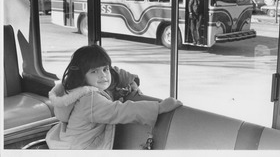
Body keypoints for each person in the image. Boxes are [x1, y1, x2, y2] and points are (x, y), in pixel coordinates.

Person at [46, 45, 182, 149]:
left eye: (105, 69)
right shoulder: (91, 100)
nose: (103, 75)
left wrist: (130, 80)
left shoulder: (77, 91)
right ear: (82, 76)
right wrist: (159, 107)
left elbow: (115, 73)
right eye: (94, 71)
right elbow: (121, 111)